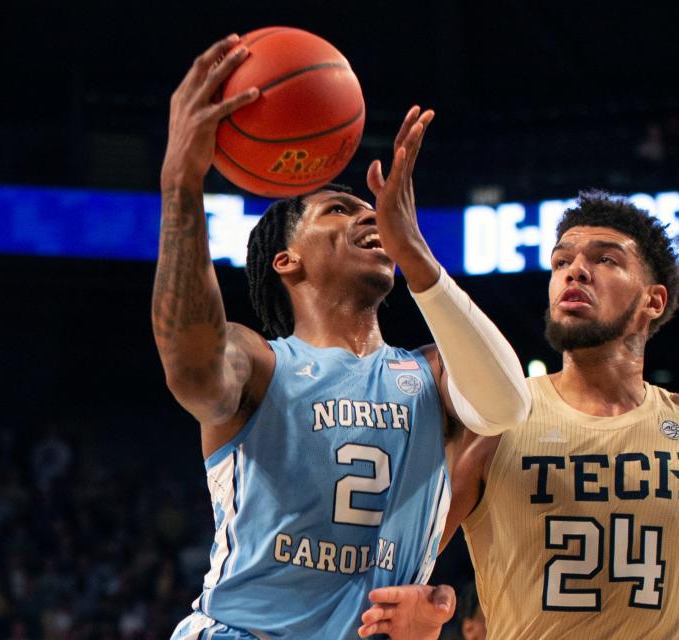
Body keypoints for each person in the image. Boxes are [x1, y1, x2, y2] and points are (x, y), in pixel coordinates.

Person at [153, 35, 531, 639]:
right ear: (287, 261)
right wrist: (181, 188)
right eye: (337, 209)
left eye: (371, 210)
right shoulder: (261, 363)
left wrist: (421, 258)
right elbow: (191, 369)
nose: (367, 216)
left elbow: (508, 403)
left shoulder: (431, 374)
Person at [358, 191, 679, 639]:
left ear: (654, 301)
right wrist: (417, 612)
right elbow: (388, 574)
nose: (576, 270)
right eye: (560, 261)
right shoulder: (495, 420)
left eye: (606, 259)